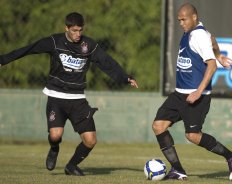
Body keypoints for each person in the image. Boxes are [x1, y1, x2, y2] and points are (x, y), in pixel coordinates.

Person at [0, 12, 138, 176]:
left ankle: (71, 166)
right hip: (56, 97)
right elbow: (29, 49)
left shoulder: (89, 45)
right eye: (74, 30)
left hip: (77, 99)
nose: (78, 34)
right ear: (66, 28)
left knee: (90, 140)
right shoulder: (54, 42)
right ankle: (54, 147)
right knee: (55, 135)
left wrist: (125, 77)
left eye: (80, 30)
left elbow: (106, 62)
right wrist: (3, 59)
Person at [152, 3, 232, 181]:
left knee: (192, 135)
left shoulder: (198, 36)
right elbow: (213, 39)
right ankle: (177, 169)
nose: (181, 23)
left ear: (194, 17)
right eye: (179, 20)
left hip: (196, 96)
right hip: (179, 94)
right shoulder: (197, 32)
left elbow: (212, 66)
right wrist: (219, 55)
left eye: (184, 19)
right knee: (158, 126)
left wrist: (199, 91)